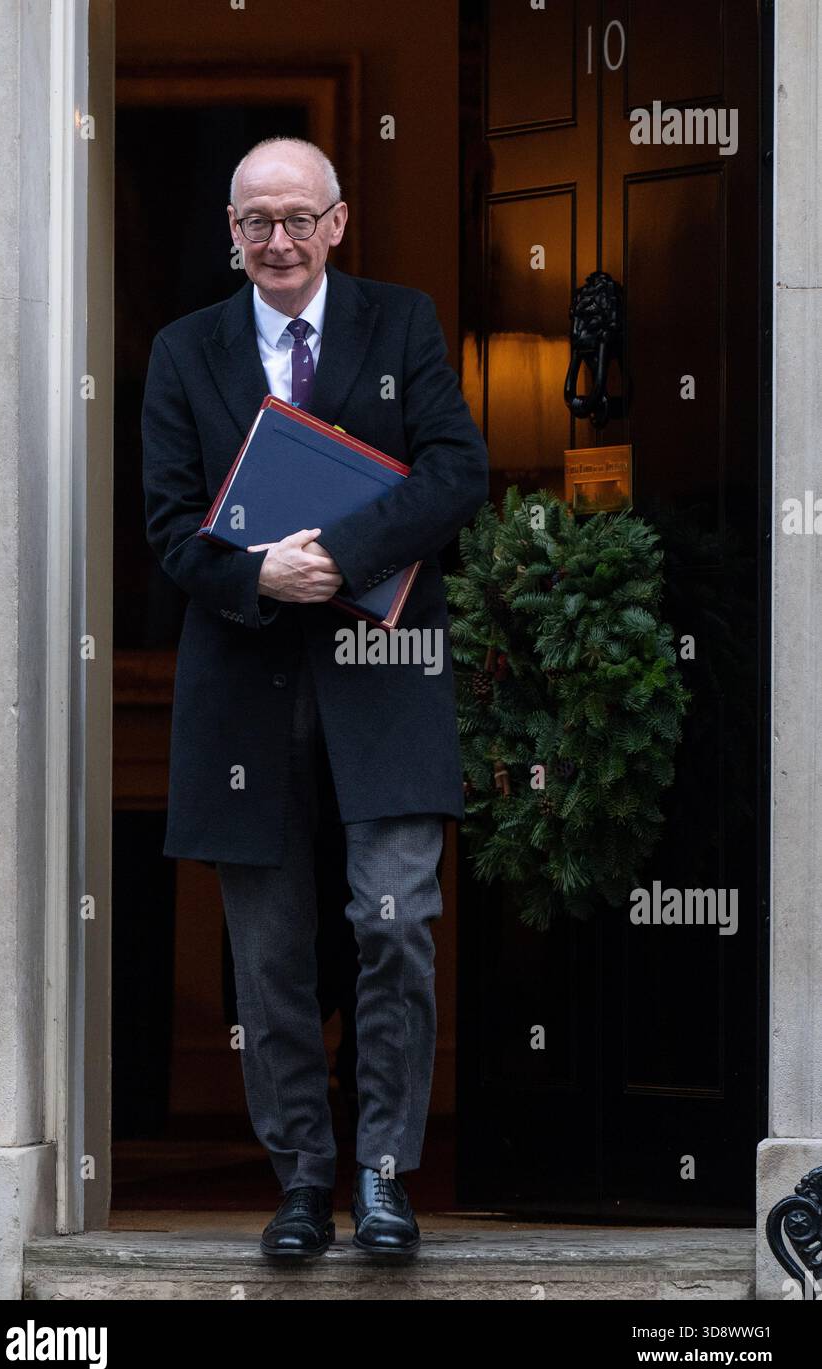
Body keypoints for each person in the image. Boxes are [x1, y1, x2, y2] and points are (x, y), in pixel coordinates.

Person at [141, 136, 489, 1258]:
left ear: (338, 222)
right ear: (230, 235)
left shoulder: (402, 323)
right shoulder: (183, 351)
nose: (278, 241)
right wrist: (255, 575)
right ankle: (299, 1181)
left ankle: (382, 1177)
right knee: (272, 952)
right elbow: (166, 527)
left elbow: (454, 472)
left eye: (298, 218)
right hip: (244, 692)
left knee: (396, 924)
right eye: (256, 222)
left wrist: (331, 555)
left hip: (384, 685)